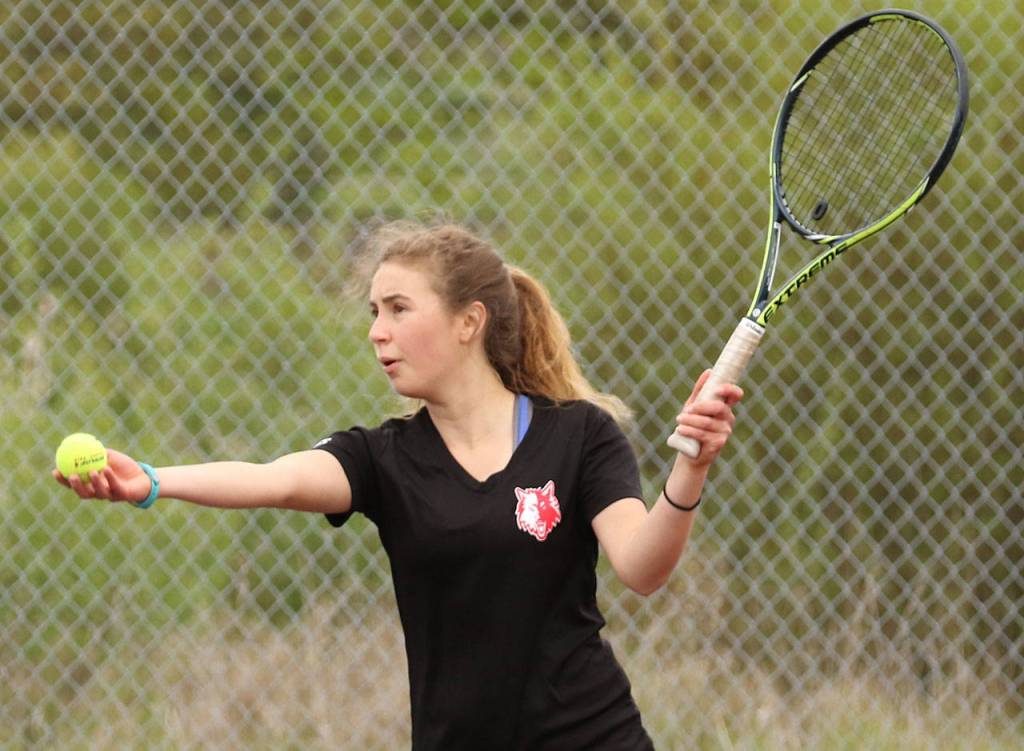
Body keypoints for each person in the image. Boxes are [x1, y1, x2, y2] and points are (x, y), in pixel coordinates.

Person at [54, 222, 743, 750]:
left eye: (398, 309)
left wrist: (692, 466)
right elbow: (273, 478)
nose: (378, 333)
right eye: (373, 313)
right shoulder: (383, 459)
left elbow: (642, 566)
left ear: (469, 321)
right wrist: (149, 480)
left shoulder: (580, 436)